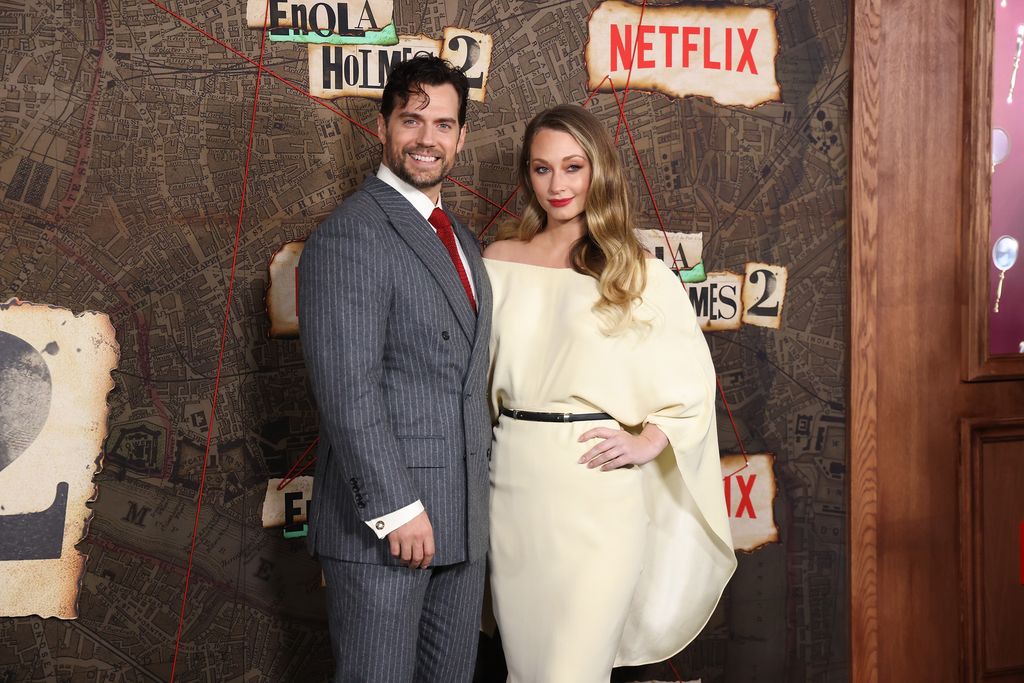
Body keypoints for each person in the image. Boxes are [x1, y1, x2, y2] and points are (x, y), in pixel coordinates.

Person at [482, 104, 737, 682]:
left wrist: (651, 439)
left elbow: (692, 382)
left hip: (598, 492)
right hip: (513, 489)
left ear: (600, 172)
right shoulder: (496, 262)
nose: (558, 184)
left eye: (573, 166)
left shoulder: (638, 273)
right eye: (542, 169)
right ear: (528, 176)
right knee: (527, 672)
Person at [298, 56, 492, 682]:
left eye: (443, 124)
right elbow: (346, 389)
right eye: (412, 120)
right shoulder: (352, 234)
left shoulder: (460, 237)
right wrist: (396, 508)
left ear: (461, 136)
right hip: (389, 527)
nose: (427, 139)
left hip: (461, 522)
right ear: (383, 125)